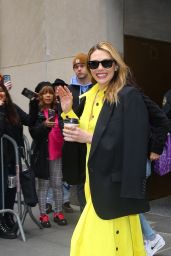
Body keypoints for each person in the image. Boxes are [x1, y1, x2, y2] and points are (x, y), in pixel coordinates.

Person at [57, 41, 152, 256]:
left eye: (106, 63)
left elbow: (134, 142)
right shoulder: (91, 96)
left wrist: (89, 137)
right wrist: (68, 112)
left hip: (116, 181)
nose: (100, 68)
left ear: (116, 65)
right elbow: (85, 132)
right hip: (94, 179)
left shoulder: (128, 96)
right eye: (94, 64)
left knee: (94, 244)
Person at [0, 75, 35, 239]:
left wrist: (33, 103)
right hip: (1, 160)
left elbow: (30, 120)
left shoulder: (12, 108)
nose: (1, 95)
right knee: (2, 189)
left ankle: (7, 217)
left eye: (2, 92)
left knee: (11, 189)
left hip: (13, 159)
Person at [29, 84, 67, 228]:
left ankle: (58, 213)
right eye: (45, 93)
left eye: (50, 93)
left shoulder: (58, 111)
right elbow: (33, 132)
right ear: (40, 96)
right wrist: (44, 125)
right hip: (43, 154)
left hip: (57, 154)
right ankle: (43, 215)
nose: (48, 95)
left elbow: (64, 127)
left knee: (57, 185)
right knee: (43, 186)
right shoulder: (37, 112)